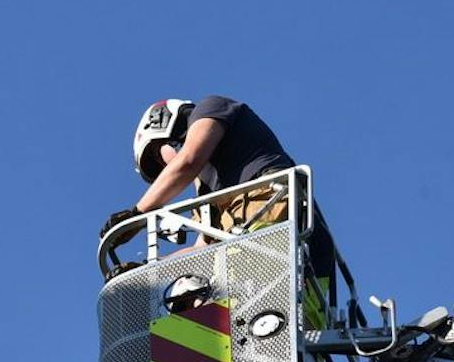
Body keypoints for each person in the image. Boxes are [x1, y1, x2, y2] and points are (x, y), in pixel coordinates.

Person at [100, 97, 336, 324]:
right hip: (290, 281)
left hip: (270, 218)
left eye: (157, 157)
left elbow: (188, 161)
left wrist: (137, 214)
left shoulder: (211, 108)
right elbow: (202, 249)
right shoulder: (207, 197)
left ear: (166, 127)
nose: (165, 170)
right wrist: (146, 270)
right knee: (188, 295)